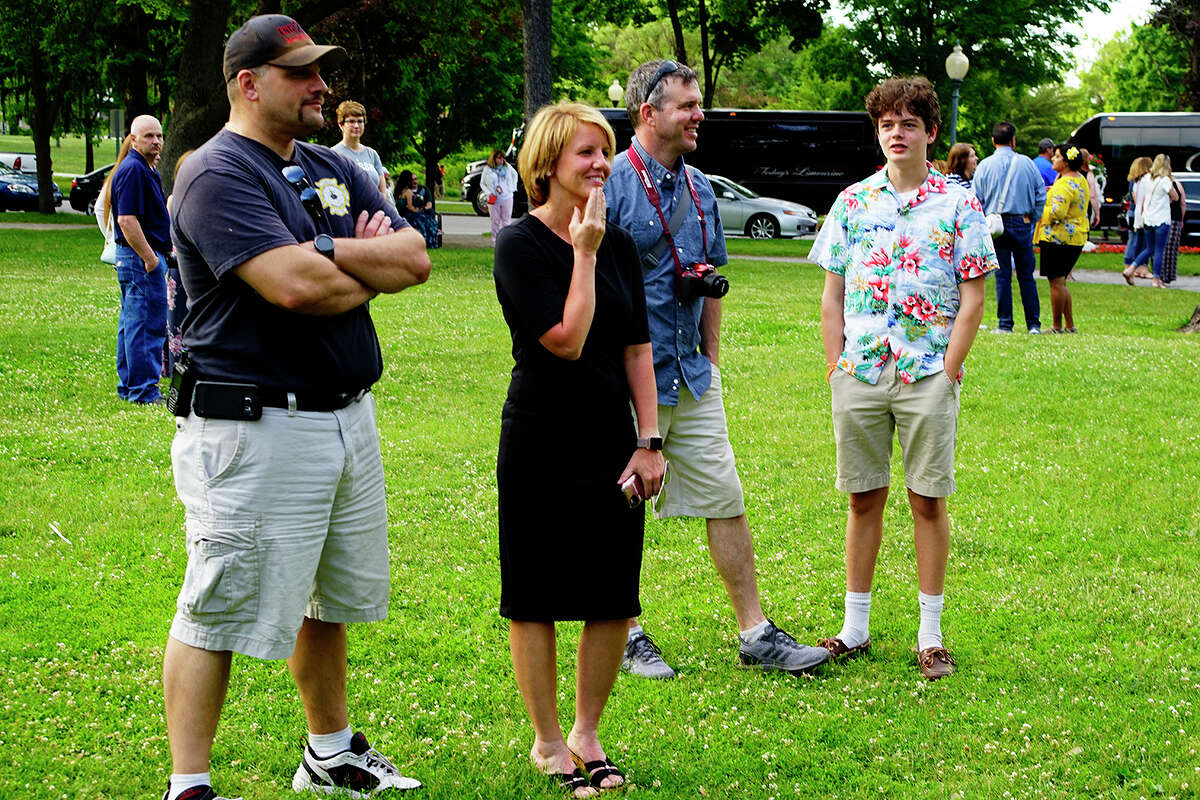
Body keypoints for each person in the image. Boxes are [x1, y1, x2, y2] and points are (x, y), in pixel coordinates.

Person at [161, 15, 431, 800]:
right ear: (248, 83)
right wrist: (348, 259)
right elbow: (290, 287)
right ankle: (189, 784)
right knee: (216, 602)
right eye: (302, 73)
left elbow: (413, 255)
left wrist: (319, 250)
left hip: (344, 414)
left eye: (321, 71)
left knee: (326, 597)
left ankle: (330, 752)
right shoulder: (215, 174)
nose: (322, 86)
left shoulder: (327, 164)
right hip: (252, 423)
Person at [605, 59, 831, 680]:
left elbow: (708, 287)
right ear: (649, 114)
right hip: (629, 379)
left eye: (697, 103)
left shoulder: (704, 188)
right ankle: (626, 632)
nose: (698, 114)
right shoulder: (613, 183)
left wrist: (713, 359)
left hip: (693, 374)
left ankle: (755, 633)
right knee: (622, 504)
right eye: (686, 105)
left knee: (724, 497)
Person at [493, 101, 664, 800]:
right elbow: (564, 340)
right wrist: (583, 254)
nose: (600, 164)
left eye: (605, 151)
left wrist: (649, 441)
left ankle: (587, 733)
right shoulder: (519, 245)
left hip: (609, 438)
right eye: (585, 153)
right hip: (539, 435)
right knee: (533, 595)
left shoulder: (619, 244)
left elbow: (636, 346)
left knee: (610, 593)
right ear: (548, 164)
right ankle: (546, 740)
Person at [810, 76, 996, 681]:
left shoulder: (959, 205)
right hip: (860, 370)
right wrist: (837, 362)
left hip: (925, 374)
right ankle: (855, 629)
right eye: (887, 124)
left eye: (908, 124)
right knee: (863, 498)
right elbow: (832, 293)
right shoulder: (853, 201)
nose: (896, 134)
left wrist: (948, 369)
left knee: (927, 500)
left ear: (930, 132)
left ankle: (931, 636)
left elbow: (973, 297)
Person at [112, 114, 170, 403]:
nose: (156, 141)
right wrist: (151, 259)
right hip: (139, 259)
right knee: (145, 324)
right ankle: (144, 391)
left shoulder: (144, 168)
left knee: (132, 324)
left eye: (159, 136)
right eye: (149, 136)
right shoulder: (134, 169)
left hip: (135, 258)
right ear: (133, 139)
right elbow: (126, 219)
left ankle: (130, 387)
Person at [974, 121, 1045, 334]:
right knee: (1026, 276)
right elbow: (1040, 194)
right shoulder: (1026, 164)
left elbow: (976, 199)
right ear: (1014, 141)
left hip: (996, 225)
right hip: (1022, 221)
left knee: (1002, 275)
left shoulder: (984, 166)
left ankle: (1005, 324)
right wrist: (1033, 218)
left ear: (993, 141)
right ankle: (1033, 324)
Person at [1036, 144, 1089, 333]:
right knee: (1062, 282)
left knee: (1056, 283)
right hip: (1075, 237)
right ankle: (1069, 325)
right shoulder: (1080, 180)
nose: (1053, 159)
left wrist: (1037, 210)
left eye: (1057, 157)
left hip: (1058, 239)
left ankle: (1057, 326)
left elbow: (1057, 213)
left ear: (1065, 163)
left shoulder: (1064, 184)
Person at [163, 149, 195, 377]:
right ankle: (176, 363)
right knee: (176, 317)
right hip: (179, 263)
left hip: (187, 264)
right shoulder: (174, 199)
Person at [331, 100, 389, 200]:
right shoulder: (333, 154)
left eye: (360, 121)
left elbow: (382, 192)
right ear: (341, 125)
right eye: (351, 121)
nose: (356, 126)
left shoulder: (372, 154)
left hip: (375, 212)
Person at [1141, 154, 1180, 289]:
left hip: (1148, 218)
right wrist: (1167, 201)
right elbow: (1175, 196)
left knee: (1149, 248)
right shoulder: (1165, 180)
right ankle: (1156, 278)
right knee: (1159, 250)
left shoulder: (1148, 179)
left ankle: (1131, 268)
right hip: (1161, 219)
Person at [95, 136, 134, 265]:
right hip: (130, 250)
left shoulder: (116, 174)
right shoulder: (122, 175)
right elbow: (100, 209)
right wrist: (111, 237)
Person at [1122, 156, 1153, 283]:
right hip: (1139, 213)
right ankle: (1138, 266)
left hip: (1133, 212)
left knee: (1134, 240)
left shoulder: (1133, 181)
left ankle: (1131, 265)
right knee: (1140, 240)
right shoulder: (1143, 181)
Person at [480, 149, 518, 247]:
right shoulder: (487, 169)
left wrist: (512, 188)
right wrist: (488, 193)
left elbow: (515, 175)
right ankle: (495, 241)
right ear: (494, 158)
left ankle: (506, 241)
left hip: (507, 197)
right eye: (499, 158)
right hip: (493, 198)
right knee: (495, 220)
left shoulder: (507, 167)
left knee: (506, 221)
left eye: (502, 158)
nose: (501, 160)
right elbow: (482, 183)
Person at [394, 169, 439, 248]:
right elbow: (410, 207)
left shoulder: (397, 191)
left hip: (400, 214)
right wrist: (418, 210)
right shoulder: (408, 192)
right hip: (409, 215)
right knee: (428, 222)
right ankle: (428, 241)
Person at [1163, 163, 1186, 286]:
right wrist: (1181, 219)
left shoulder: (1160, 183)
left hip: (1163, 218)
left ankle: (1161, 273)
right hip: (1175, 219)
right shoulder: (1177, 184)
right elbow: (1182, 203)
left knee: (1163, 247)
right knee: (1172, 248)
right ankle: (1170, 274)